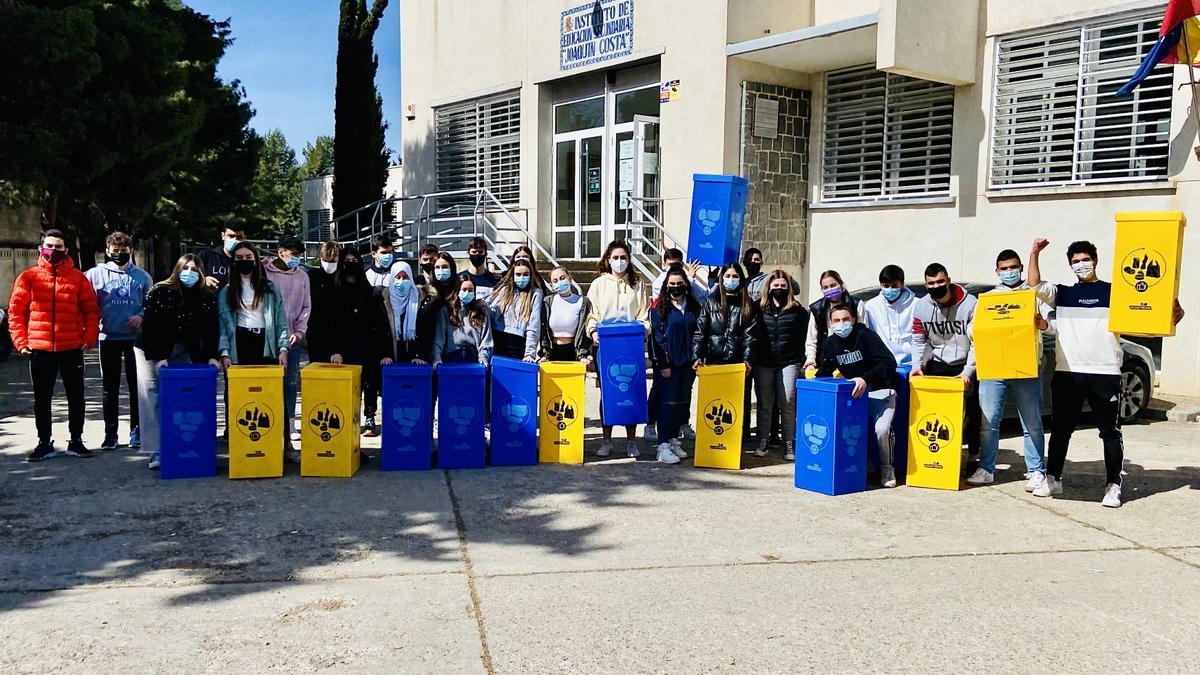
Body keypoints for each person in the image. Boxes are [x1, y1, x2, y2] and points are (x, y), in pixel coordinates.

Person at [1027, 238, 1185, 508]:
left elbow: (1147, 310)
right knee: (1062, 430)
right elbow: (1034, 285)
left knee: (1110, 432)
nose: (1081, 265)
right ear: (1070, 265)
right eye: (1075, 262)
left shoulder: (1115, 293)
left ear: (1095, 261)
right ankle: (1053, 478)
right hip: (1068, 372)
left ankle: (1113, 485)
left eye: (1085, 260)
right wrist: (1034, 252)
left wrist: (1171, 314)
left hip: (1104, 373)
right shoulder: (1062, 293)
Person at [9, 230, 101, 462]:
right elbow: (16, 313)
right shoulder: (28, 277)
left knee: (76, 396)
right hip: (40, 349)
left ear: (66, 250)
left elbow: (91, 310)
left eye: (59, 246)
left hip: (71, 347)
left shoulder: (78, 278)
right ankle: (44, 441)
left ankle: (76, 440)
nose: (54, 251)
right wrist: (21, 342)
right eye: (50, 245)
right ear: (41, 248)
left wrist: (89, 337)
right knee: (42, 398)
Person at [966, 249, 1054, 489]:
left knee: (1032, 423)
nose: (1009, 272)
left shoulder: (1031, 295)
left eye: (1013, 267)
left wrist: (1042, 323)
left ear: (1021, 269)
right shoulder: (987, 299)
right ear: (997, 271)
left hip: (1027, 368)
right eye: (1004, 269)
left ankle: (1036, 470)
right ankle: (986, 468)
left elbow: (1053, 326)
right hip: (994, 368)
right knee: (989, 422)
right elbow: (972, 331)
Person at [135, 255, 221, 470]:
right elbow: (151, 326)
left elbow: (210, 328)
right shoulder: (160, 290)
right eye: (186, 268)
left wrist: (212, 355)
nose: (190, 273)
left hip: (182, 347)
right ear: (177, 269)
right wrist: (159, 356)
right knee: (152, 396)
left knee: (176, 397)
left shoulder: (206, 295)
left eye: (195, 269)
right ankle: (156, 450)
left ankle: (177, 443)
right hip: (151, 347)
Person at [817, 305, 901, 488]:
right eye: (837, 320)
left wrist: (865, 378)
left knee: (882, 430)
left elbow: (888, 363)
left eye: (845, 319)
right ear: (831, 323)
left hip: (882, 391)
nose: (841, 324)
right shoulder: (830, 344)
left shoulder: (867, 336)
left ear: (854, 320)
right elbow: (825, 371)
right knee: (849, 431)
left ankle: (887, 468)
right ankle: (864, 466)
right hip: (855, 395)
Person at [85, 231, 153, 451]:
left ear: (131, 251)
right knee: (109, 388)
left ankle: (137, 431)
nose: (119, 255)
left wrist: (141, 315)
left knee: (137, 388)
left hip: (135, 340)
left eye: (124, 252)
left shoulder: (142, 276)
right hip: (108, 337)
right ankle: (110, 433)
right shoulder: (94, 275)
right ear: (107, 251)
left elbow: (151, 303)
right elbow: (86, 303)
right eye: (115, 252)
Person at [317, 248, 392, 439]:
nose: (350, 264)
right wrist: (333, 350)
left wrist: (385, 352)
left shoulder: (370, 292)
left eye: (354, 260)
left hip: (367, 348)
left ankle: (369, 417)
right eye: (347, 260)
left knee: (369, 384)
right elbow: (325, 325)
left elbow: (382, 324)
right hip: (341, 352)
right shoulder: (330, 291)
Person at [911, 263, 980, 464]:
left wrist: (968, 371)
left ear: (948, 280)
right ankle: (940, 455)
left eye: (940, 281)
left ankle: (973, 455)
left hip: (966, 363)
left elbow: (977, 340)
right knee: (936, 413)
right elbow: (918, 339)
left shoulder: (970, 303)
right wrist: (917, 365)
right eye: (931, 283)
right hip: (939, 362)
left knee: (974, 413)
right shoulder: (922, 306)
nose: (936, 286)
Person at [585, 240, 650, 458]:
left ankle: (631, 441)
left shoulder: (638, 284)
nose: (619, 262)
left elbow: (643, 314)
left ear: (629, 259)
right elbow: (591, 314)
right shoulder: (598, 284)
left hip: (630, 342)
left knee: (631, 388)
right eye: (615, 258)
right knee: (609, 390)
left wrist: (644, 329)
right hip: (606, 343)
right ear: (607, 260)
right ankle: (606, 440)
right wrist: (593, 331)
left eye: (623, 257)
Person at [693, 263, 758, 450]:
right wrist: (697, 356)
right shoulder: (710, 302)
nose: (731, 280)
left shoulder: (748, 305)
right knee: (714, 403)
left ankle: (739, 441)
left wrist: (747, 360)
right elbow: (700, 332)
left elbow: (750, 336)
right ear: (722, 279)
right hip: (714, 361)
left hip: (738, 364)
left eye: (735, 276)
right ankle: (711, 441)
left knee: (739, 403)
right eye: (727, 276)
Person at [646, 248, 704, 445]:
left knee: (682, 402)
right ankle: (663, 444)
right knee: (667, 404)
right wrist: (664, 365)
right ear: (666, 285)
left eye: (679, 284)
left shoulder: (694, 307)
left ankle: (672, 440)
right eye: (672, 284)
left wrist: (697, 356)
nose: (676, 287)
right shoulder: (658, 308)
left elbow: (698, 333)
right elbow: (657, 339)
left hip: (688, 363)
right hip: (668, 365)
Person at [752, 270, 810, 460]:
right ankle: (762, 440)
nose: (779, 289)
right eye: (775, 286)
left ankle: (789, 442)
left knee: (787, 403)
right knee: (765, 404)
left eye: (783, 286)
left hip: (789, 362)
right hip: (764, 363)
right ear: (768, 288)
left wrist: (801, 360)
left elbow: (804, 338)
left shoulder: (798, 311)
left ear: (789, 289)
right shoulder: (758, 309)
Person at [263, 236, 311, 460]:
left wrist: (299, 333)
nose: (296, 258)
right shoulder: (265, 273)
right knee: (268, 385)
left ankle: (290, 430)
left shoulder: (302, 276)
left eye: (299, 254)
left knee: (290, 383)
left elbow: (305, 307)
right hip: (269, 339)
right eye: (292, 253)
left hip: (293, 340)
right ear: (280, 252)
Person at [217, 242, 290, 368]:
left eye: (248, 257)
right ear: (234, 261)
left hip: (266, 342)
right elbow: (223, 325)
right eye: (239, 258)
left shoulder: (270, 288)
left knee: (267, 385)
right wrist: (224, 353)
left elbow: (281, 320)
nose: (244, 260)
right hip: (239, 343)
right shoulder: (227, 291)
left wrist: (283, 348)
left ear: (255, 260)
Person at [859, 265, 917, 367]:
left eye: (894, 285)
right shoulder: (871, 306)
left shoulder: (916, 305)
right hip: (883, 363)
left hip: (911, 363)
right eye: (886, 286)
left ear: (902, 284)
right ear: (880, 285)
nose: (890, 289)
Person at [431, 276, 494, 366]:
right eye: (464, 289)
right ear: (457, 291)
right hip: (451, 357)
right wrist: (436, 359)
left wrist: (484, 359)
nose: (467, 293)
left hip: (474, 358)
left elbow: (486, 340)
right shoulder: (446, 311)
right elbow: (439, 339)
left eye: (470, 290)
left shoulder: (481, 311)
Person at [488, 258, 543, 362]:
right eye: (518, 274)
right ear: (512, 275)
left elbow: (534, 324)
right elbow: (492, 311)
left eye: (526, 274)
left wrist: (530, 353)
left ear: (531, 275)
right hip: (498, 340)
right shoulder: (505, 290)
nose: (522, 277)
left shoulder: (535, 293)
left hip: (518, 344)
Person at [804, 270, 859, 371]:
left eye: (833, 285)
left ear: (841, 285)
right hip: (825, 359)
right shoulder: (817, 309)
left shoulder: (856, 304)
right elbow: (812, 339)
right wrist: (811, 361)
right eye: (826, 287)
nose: (830, 289)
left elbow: (863, 333)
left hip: (851, 359)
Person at [382, 261, 434, 364]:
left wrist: (419, 355)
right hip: (390, 362)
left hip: (415, 361)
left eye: (406, 277)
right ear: (392, 278)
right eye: (398, 277)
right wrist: (385, 355)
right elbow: (379, 332)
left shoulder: (421, 300)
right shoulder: (383, 301)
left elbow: (426, 332)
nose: (402, 281)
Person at [539, 267, 593, 363]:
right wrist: (544, 353)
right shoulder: (547, 302)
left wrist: (583, 354)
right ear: (552, 285)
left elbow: (585, 329)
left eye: (562, 278)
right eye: (555, 281)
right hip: (552, 352)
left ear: (569, 278)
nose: (559, 282)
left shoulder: (583, 302)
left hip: (574, 352)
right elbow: (543, 330)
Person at [306, 240, 341, 363]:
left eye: (332, 261)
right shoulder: (313, 275)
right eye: (325, 260)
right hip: (316, 330)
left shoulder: (343, 277)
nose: (328, 264)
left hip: (339, 330)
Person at [197, 219, 246, 290]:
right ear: (223, 236)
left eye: (239, 237)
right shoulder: (206, 256)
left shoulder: (250, 261)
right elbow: (190, 279)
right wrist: (203, 280)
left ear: (244, 238)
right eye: (231, 236)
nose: (235, 240)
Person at [460, 236, 498, 301]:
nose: (477, 255)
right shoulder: (460, 278)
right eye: (474, 252)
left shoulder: (494, 280)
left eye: (480, 252)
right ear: (468, 253)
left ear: (485, 254)